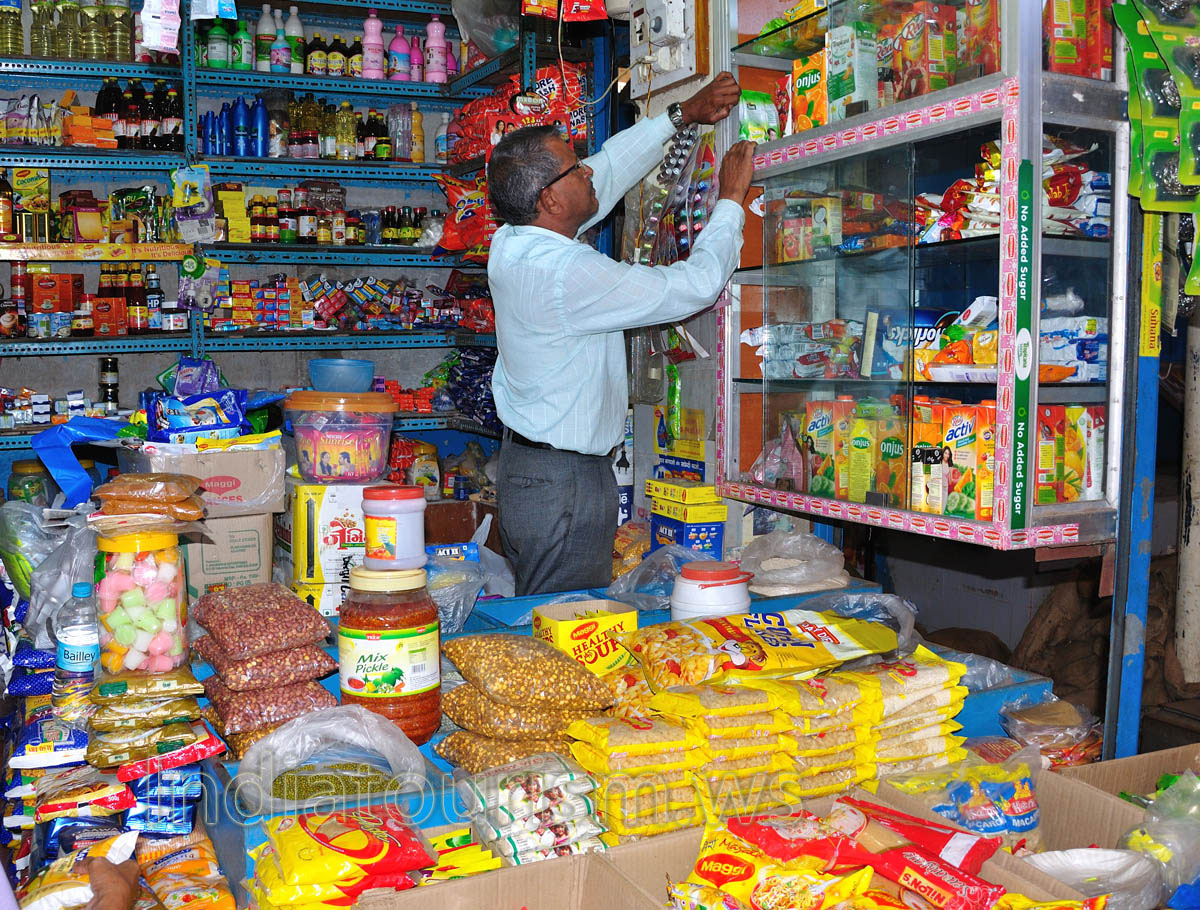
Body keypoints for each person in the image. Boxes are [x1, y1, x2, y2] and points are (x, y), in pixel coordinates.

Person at [486, 71, 754, 596]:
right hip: (563, 484)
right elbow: (694, 286)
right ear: (549, 200)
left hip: (534, 469)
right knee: (565, 627)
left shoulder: (513, 240)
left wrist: (681, 117)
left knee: (550, 614)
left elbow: (605, 174)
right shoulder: (564, 273)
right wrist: (730, 203)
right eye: (573, 167)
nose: (586, 169)